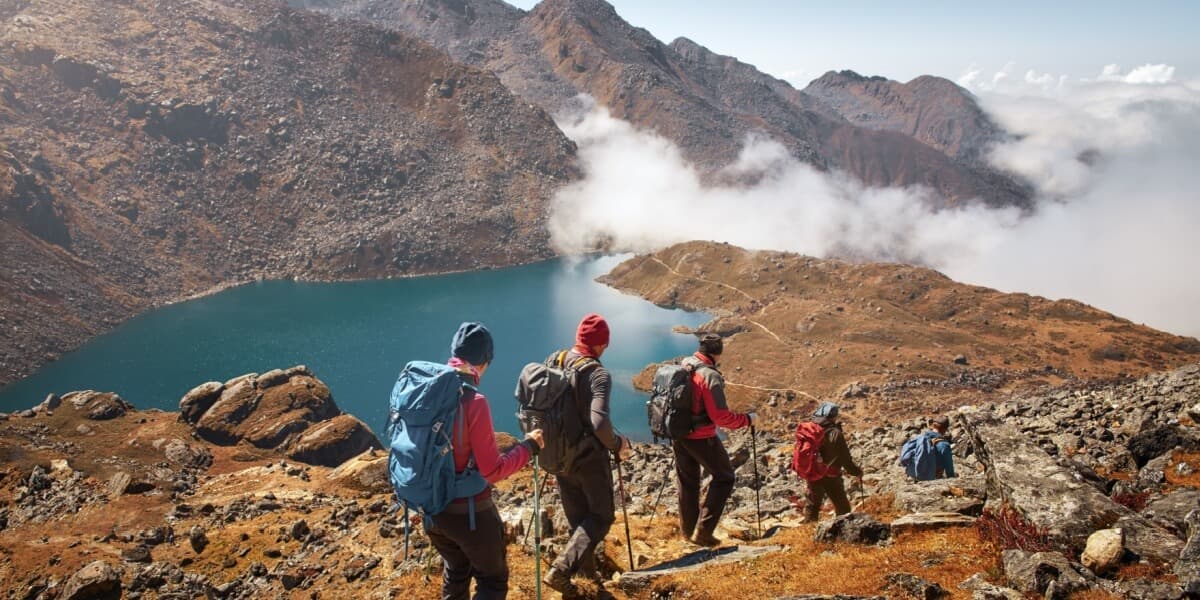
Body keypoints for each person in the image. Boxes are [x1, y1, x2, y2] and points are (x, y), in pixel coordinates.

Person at [426, 322, 544, 600]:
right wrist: (529, 447)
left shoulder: (428, 388)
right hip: (468, 514)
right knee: (492, 582)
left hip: (431, 511)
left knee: (456, 571)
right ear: (485, 362)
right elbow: (492, 470)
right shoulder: (473, 400)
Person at [542, 313, 633, 597]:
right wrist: (619, 445)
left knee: (578, 519)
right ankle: (561, 570)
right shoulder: (597, 373)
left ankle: (587, 578)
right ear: (601, 343)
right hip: (587, 459)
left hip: (556, 456)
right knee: (601, 516)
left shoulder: (554, 360)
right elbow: (599, 423)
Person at [673, 333, 753, 547]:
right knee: (725, 477)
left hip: (679, 434)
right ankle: (703, 532)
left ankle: (688, 532)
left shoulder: (686, 363)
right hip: (701, 437)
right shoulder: (709, 375)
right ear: (718, 352)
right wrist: (747, 420)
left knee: (688, 482)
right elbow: (720, 416)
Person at [802, 401, 862, 522]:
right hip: (831, 475)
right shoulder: (835, 433)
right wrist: (856, 472)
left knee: (813, 505)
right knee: (842, 507)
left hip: (812, 473)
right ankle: (843, 529)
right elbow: (845, 458)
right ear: (833, 416)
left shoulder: (811, 430)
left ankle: (807, 531)